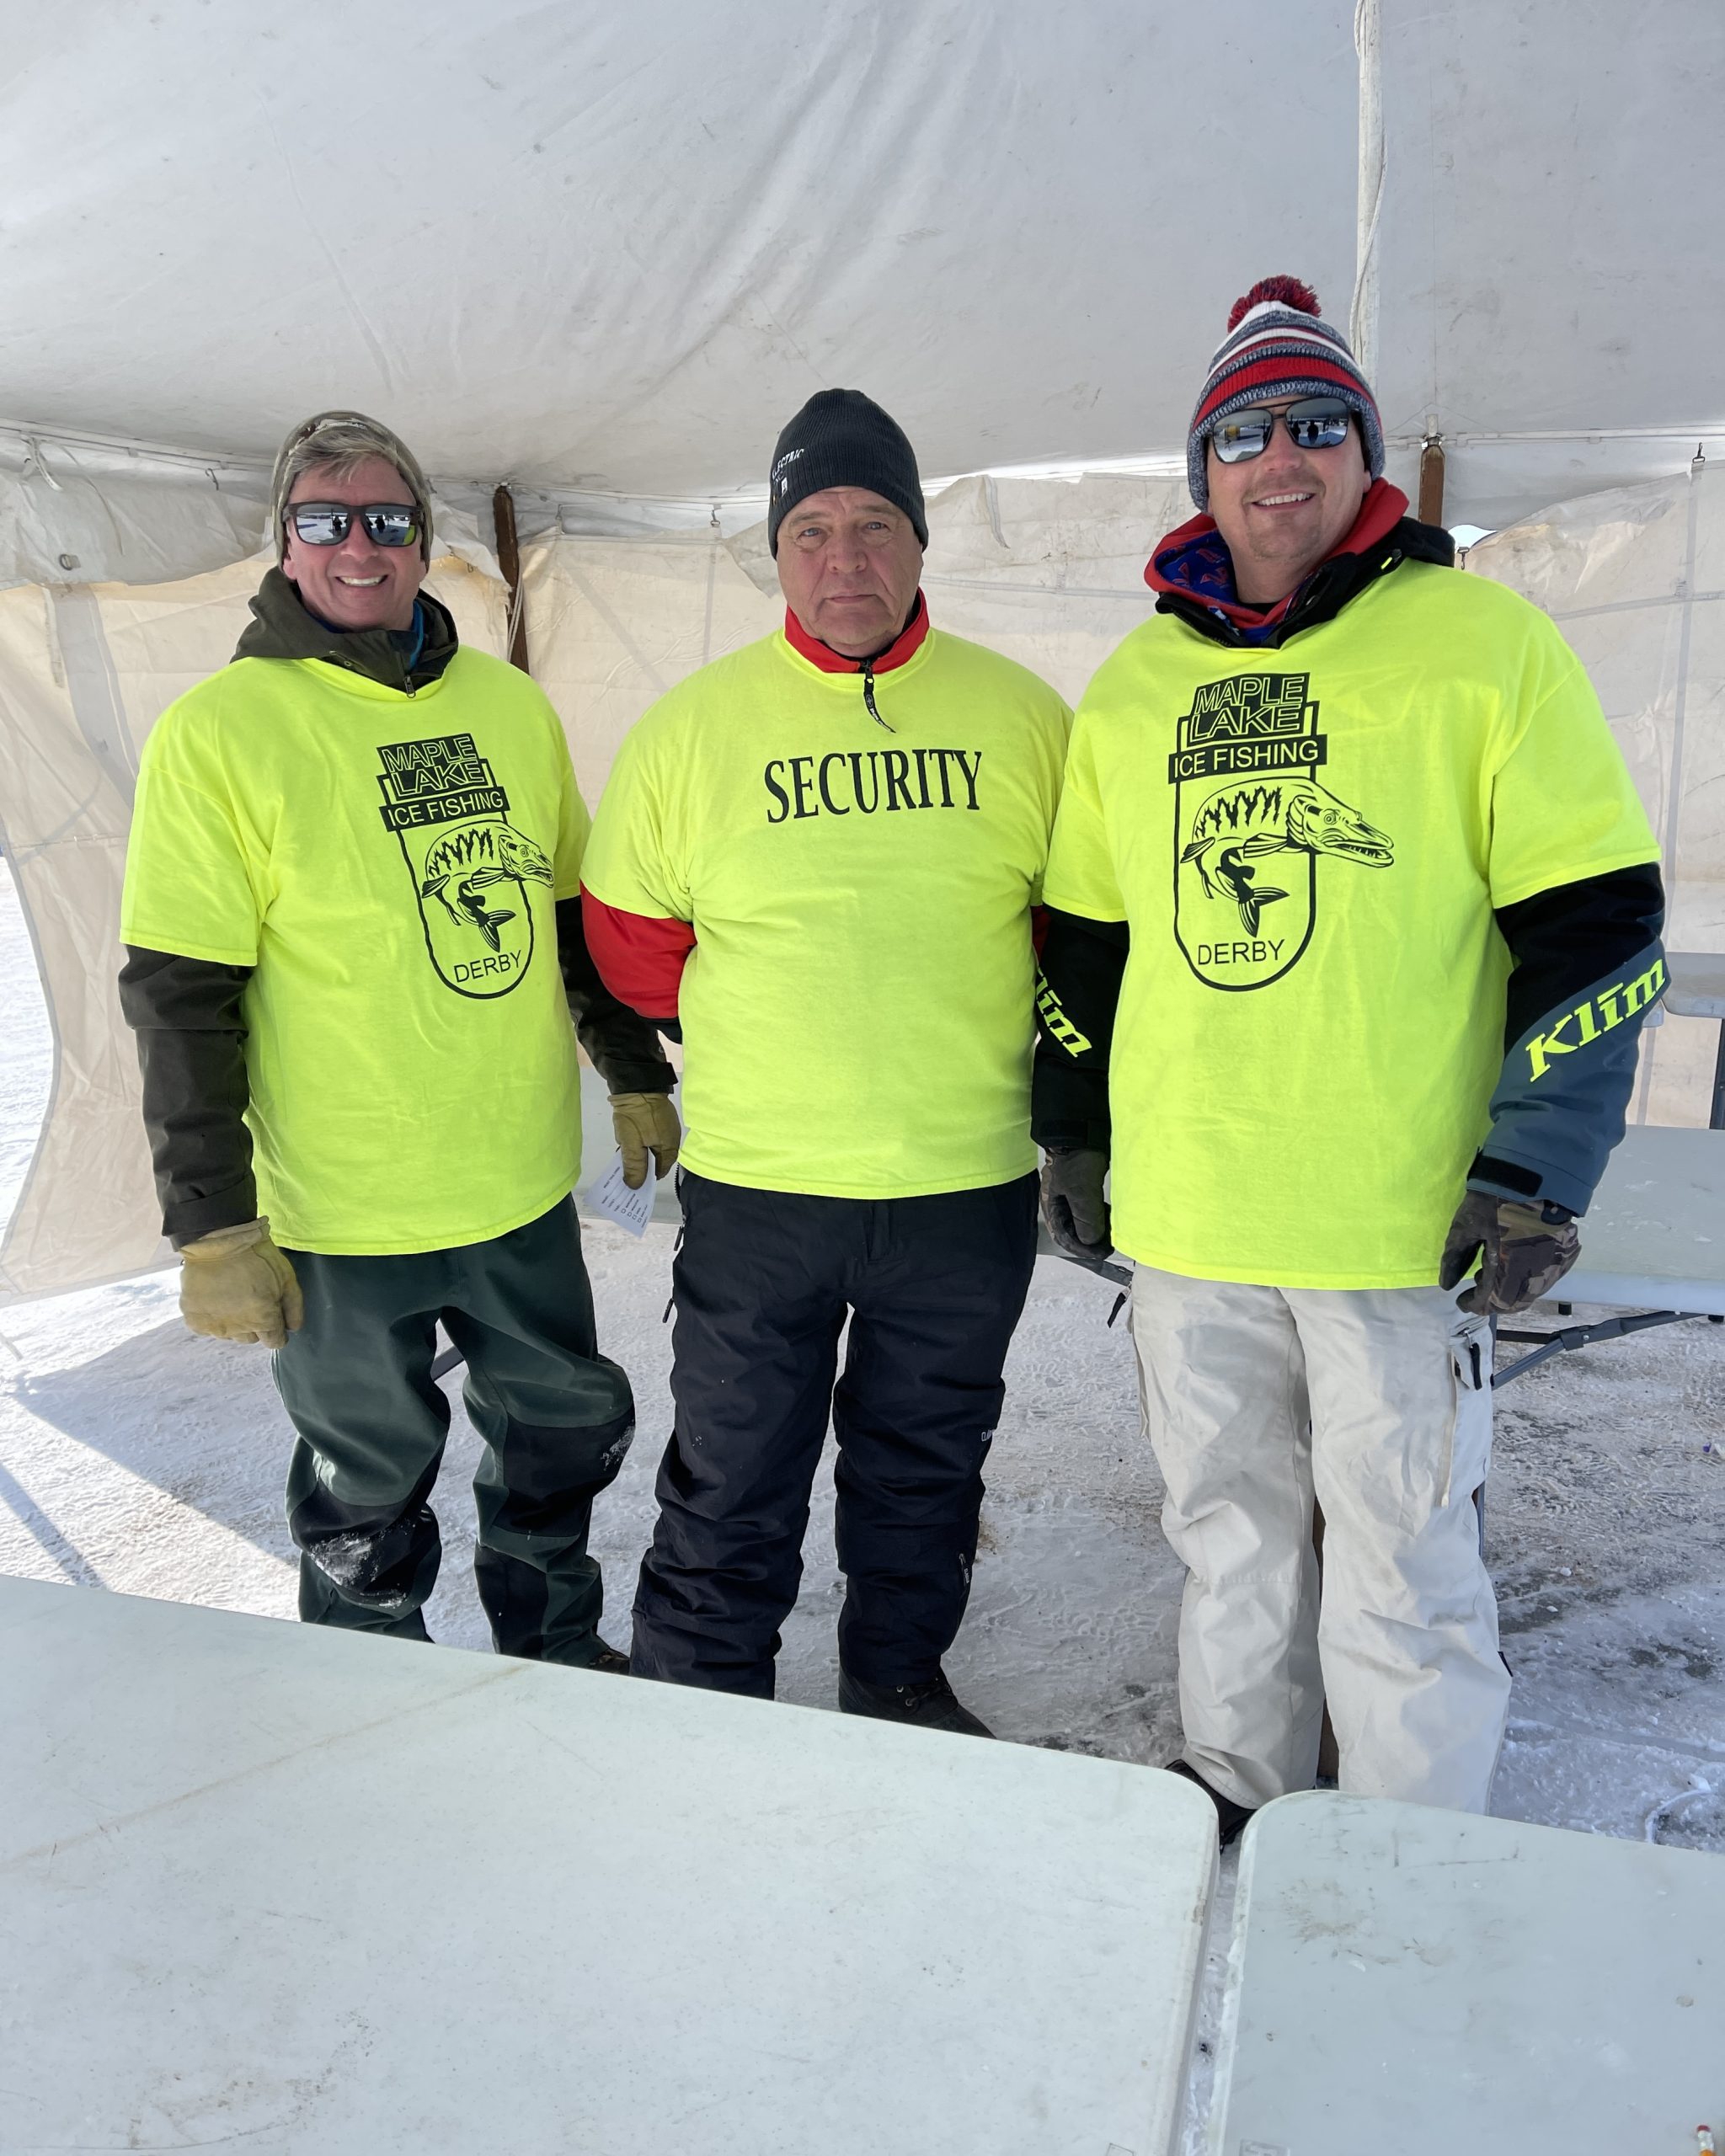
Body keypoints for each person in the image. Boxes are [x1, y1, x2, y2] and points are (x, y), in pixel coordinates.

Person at [1033, 279, 1664, 1833]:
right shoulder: (1137, 683)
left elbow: (1599, 929)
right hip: (1193, 1219)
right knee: (1228, 1535)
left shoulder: (1477, 642)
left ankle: (1405, 1850)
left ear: (1360, 456)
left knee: (1402, 1556)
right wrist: (1076, 1133)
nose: (1280, 459)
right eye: (1242, 433)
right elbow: (1082, 945)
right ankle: (1238, 1799)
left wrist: (1530, 1168)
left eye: (1317, 425)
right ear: (1205, 474)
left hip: (1396, 1226)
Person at [120, 410, 680, 1667]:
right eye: (326, 520)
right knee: (366, 1484)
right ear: (284, 541)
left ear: (427, 543)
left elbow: (567, 915)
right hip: (343, 1210)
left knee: (557, 1437)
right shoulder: (221, 731)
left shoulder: (505, 706)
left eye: (387, 520)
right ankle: (368, 1688)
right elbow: (178, 995)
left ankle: (555, 1653)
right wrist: (211, 1221)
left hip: (515, 1184)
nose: (358, 547)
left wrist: (636, 1072)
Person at [581, 389, 1071, 1732]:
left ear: (918, 544)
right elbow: (632, 950)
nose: (843, 558)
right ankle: (702, 1701)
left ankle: (896, 1680)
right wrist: (787, 1031)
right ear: (776, 554)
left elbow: (1069, 931)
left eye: (872, 525)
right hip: (762, 1187)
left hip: (962, 1185)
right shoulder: (692, 729)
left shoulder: (1025, 717)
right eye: (810, 529)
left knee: (925, 1467)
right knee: (733, 1467)